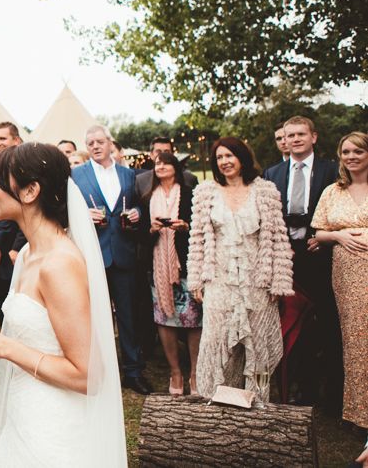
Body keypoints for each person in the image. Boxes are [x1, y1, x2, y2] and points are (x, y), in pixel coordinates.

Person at [0, 143, 127, 467]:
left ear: (31, 190)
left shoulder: (59, 263)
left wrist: (5, 347)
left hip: (55, 429)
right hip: (24, 413)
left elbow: (87, 375)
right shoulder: (26, 254)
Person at [188, 137, 293, 399]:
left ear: (242, 158)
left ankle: (257, 401)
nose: (224, 162)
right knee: (215, 344)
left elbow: (279, 238)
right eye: (219, 158)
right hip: (218, 281)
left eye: (229, 156)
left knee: (259, 346)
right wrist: (197, 281)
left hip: (256, 282)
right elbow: (197, 239)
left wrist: (278, 282)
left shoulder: (266, 191)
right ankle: (215, 400)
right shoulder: (205, 192)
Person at [263, 115, 340, 409]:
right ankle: (297, 389)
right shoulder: (273, 173)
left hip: (321, 255)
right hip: (286, 258)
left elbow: (340, 209)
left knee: (327, 324)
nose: (295, 139)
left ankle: (331, 393)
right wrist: (281, 247)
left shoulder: (330, 171)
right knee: (292, 324)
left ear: (313, 137)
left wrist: (324, 237)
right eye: (289, 135)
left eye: (300, 134)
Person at [72, 124, 151, 394]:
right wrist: (84, 216)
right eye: (90, 142)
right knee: (96, 317)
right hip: (93, 254)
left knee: (129, 316)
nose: (95, 146)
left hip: (124, 254)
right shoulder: (75, 175)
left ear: (110, 143)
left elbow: (140, 204)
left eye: (99, 142)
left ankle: (133, 371)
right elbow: (67, 210)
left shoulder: (129, 175)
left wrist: (138, 214)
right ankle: (101, 372)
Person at [311, 131, 368, 460]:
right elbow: (319, 231)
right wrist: (341, 235)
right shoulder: (333, 191)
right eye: (346, 151)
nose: (351, 156)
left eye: (358, 150)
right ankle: (360, 415)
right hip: (346, 276)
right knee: (355, 341)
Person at [139, 152, 201, 395]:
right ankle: (175, 372)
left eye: (165, 162)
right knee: (165, 319)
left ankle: (195, 372)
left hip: (185, 263)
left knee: (194, 318)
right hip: (158, 267)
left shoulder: (189, 194)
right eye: (157, 163)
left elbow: (199, 227)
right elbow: (139, 236)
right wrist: (152, 229)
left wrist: (184, 227)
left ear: (175, 167)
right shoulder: (147, 197)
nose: (161, 166)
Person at [0, 121, 25, 324]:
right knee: (4, 305)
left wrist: (17, 247)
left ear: (16, 140)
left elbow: (28, 210)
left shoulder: (23, 168)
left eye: (2, 138)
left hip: (19, 250)